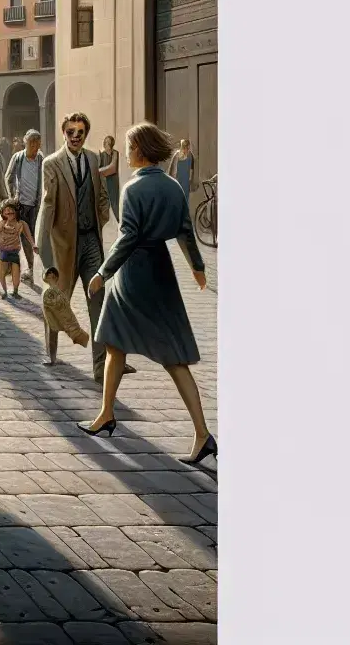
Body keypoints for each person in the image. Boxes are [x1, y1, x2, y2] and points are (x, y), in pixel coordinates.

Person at [81, 123, 215, 466]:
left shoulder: (132, 188)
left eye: (128, 147)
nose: (126, 153)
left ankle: (108, 415)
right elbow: (186, 232)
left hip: (133, 275)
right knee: (171, 356)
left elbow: (127, 237)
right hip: (162, 270)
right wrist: (198, 270)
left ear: (139, 150)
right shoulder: (173, 187)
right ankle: (200, 432)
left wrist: (101, 273)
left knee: (114, 341)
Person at [38, 112, 122, 383]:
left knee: (97, 301)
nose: (75, 136)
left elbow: (101, 194)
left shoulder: (94, 158)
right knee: (57, 298)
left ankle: (100, 367)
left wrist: (101, 217)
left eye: (80, 132)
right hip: (64, 243)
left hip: (91, 243)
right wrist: (45, 247)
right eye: (71, 131)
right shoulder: (52, 163)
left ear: (86, 134)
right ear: (64, 133)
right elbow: (48, 204)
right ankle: (51, 351)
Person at [5, 130, 44, 278]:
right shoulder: (18, 158)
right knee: (24, 237)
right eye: (32, 144)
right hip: (21, 204)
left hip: (36, 205)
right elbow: (8, 177)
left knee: (34, 236)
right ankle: (29, 267)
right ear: (26, 143)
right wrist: (12, 196)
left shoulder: (41, 159)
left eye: (38, 144)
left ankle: (34, 267)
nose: (35, 148)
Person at [38, 267, 90, 365]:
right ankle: (52, 358)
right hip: (54, 318)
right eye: (49, 276)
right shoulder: (52, 291)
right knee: (53, 335)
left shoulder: (55, 291)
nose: (50, 277)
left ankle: (52, 358)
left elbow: (61, 305)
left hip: (58, 318)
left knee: (56, 335)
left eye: (51, 276)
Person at [0, 200, 33, 298]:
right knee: (2, 273)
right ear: (3, 213)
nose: (9, 213)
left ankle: (15, 292)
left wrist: (33, 245)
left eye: (11, 210)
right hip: (3, 252)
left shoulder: (21, 224)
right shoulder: (1, 224)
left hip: (14, 252)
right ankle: (5, 292)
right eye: (6, 211)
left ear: (16, 212)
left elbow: (28, 236)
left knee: (16, 274)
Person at [98, 134, 123, 223]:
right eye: (105, 142)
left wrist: (100, 171)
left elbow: (112, 168)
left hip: (113, 181)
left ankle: (118, 221)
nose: (107, 144)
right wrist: (101, 171)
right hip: (104, 182)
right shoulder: (102, 154)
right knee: (105, 203)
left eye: (109, 142)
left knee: (115, 202)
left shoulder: (115, 153)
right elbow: (98, 168)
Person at [167, 138, 195, 203]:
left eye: (188, 148)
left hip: (186, 182)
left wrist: (190, 180)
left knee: (185, 200)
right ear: (182, 147)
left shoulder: (190, 155)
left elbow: (191, 168)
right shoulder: (177, 155)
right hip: (178, 180)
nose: (187, 149)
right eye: (185, 147)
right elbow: (173, 170)